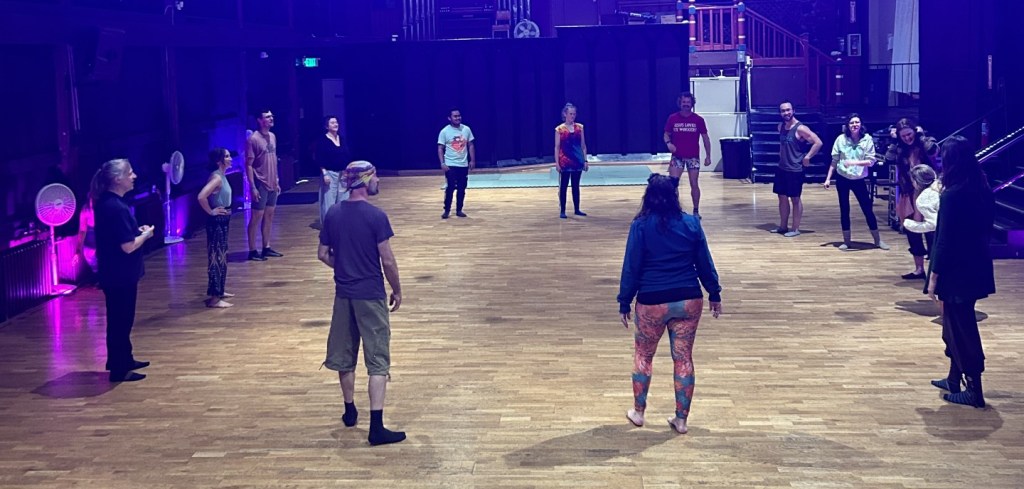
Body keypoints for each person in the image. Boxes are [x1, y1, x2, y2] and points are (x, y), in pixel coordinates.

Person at [617, 174, 723, 435]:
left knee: (644, 356)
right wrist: (714, 292)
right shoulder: (691, 223)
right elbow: (704, 262)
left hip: (651, 301)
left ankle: (639, 413)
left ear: (648, 197)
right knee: (683, 358)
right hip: (688, 298)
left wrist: (624, 300)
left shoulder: (640, 226)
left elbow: (632, 266)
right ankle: (681, 420)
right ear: (674, 196)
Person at [318, 160, 406, 445]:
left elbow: (322, 254)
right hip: (370, 294)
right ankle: (376, 427)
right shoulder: (376, 216)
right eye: (375, 176)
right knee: (378, 360)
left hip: (343, 294)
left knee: (345, 355)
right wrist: (397, 290)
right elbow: (388, 260)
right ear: (365, 180)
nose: (378, 181)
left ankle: (349, 410)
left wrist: (344, 266)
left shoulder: (333, 213)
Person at [926, 136, 994, 408]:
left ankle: (974, 390)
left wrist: (933, 276)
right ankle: (954, 378)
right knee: (955, 325)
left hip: (956, 270)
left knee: (961, 328)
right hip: (976, 265)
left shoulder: (952, 195)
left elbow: (944, 239)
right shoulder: (982, 188)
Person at [91, 159, 154, 382]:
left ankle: (124, 359)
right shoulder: (115, 207)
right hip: (119, 275)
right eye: (130, 173)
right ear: (118, 179)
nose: (134, 176)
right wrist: (146, 235)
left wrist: (137, 231)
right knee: (120, 320)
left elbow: (120, 235)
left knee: (122, 319)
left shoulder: (109, 203)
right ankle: (119, 369)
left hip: (116, 273)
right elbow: (127, 246)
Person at [823, 114, 889, 250]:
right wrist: (828, 178)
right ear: (847, 125)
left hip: (859, 179)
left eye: (857, 122)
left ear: (861, 124)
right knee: (844, 209)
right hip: (843, 177)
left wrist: (854, 162)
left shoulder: (867, 139)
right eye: (852, 123)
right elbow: (834, 160)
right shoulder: (840, 139)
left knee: (867, 208)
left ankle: (877, 240)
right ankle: (846, 241)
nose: (854, 125)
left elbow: (871, 161)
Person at [885, 118, 939, 279]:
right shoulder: (899, 148)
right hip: (908, 194)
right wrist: (894, 141)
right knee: (912, 232)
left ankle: (935, 271)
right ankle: (919, 269)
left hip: (928, 193)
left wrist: (921, 136)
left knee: (931, 232)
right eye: (903, 136)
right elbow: (888, 159)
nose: (907, 138)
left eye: (909, 134)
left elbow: (933, 150)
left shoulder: (924, 142)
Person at [772, 102, 823, 237]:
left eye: (788, 110)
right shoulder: (780, 127)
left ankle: (795, 229)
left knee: (795, 199)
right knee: (782, 197)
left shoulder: (801, 128)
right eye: (783, 111)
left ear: (793, 110)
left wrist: (807, 157)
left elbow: (818, 142)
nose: (786, 113)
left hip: (795, 169)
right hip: (782, 167)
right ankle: (783, 226)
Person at [663, 92, 712, 218]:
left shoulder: (698, 120)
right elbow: (666, 134)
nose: (686, 104)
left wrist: (708, 156)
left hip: (693, 156)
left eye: (688, 102)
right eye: (684, 102)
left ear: (692, 104)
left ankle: (696, 210)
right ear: (680, 103)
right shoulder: (673, 118)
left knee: (694, 183)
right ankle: (675, 210)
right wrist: (669, 144)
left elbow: (705, 138)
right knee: (673, 184)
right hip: (677, 156)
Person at [198, 148, 235, 308]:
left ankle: (219, 290)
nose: (230, 158)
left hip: (223, 220)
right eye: (227, 156)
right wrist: (211, 212)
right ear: (219, 161)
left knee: (222, 256)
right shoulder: (216, 178)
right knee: (216, 257)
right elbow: (201, 196)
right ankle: (214, 298)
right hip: (217, 221)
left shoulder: (221, 176)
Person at [246, 108, 283, 261]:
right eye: (267, 117)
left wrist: (277, 179)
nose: (271, 118)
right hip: (260, 182)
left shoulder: (273, 136)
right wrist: (253, 187)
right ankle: (252, 250)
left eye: (271, 116)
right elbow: (249, 165)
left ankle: (266, 247)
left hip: (272, 182)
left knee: (269, 215)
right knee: (257, 216)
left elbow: (273, 159)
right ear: (260, 120)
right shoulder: (253, 139)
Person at [437, 108, 475, 219]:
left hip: (463, 164)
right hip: (450, 165)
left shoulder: (466, 129)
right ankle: (447, 210)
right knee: (450, 188)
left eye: (459, 115)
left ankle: (459, 210)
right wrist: (442, 163)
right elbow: (440, 148)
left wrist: (472, 160)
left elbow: (471, 145)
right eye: (455, 116)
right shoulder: (444, 131)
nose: (458, 118)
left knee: (462, 188)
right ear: (449, 118)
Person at [554, 103, 589, 218]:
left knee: (576, 186)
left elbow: (583, 146)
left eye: (574, 114)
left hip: (577, 160)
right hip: (565, 161)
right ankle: (563, 210)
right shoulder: (560, 129)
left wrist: (585, 160)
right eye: (570, 114)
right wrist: (557, 163)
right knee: (563, 186)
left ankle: (577, 209)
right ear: (565, 114)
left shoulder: (580, 128)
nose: (572, 116)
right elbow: (557, 147)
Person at [316, 115, 351, 226]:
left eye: (336, 122)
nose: (336, 124)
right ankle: (329, 225)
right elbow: (319, 158)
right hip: (330, 173)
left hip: (343, 173)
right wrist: (324, 173)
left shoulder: (342, 138)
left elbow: (347, 155)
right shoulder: (322, 140)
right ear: (327, 126)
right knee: (329, 201)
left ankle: (342, 224)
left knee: (344, 199)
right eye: (332, 123)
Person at [902, 164, 941, 237]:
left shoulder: (924, 198)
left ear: (917, 182)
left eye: (913, 181)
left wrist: (910, 225)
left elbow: (933, 224)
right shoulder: (942, 186)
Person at [76, 198, 98, 277]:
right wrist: (78, 250)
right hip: (91, 239)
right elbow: (82, 230)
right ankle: (97, 275)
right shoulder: (85, 210)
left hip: (104, 236)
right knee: (90, 256)